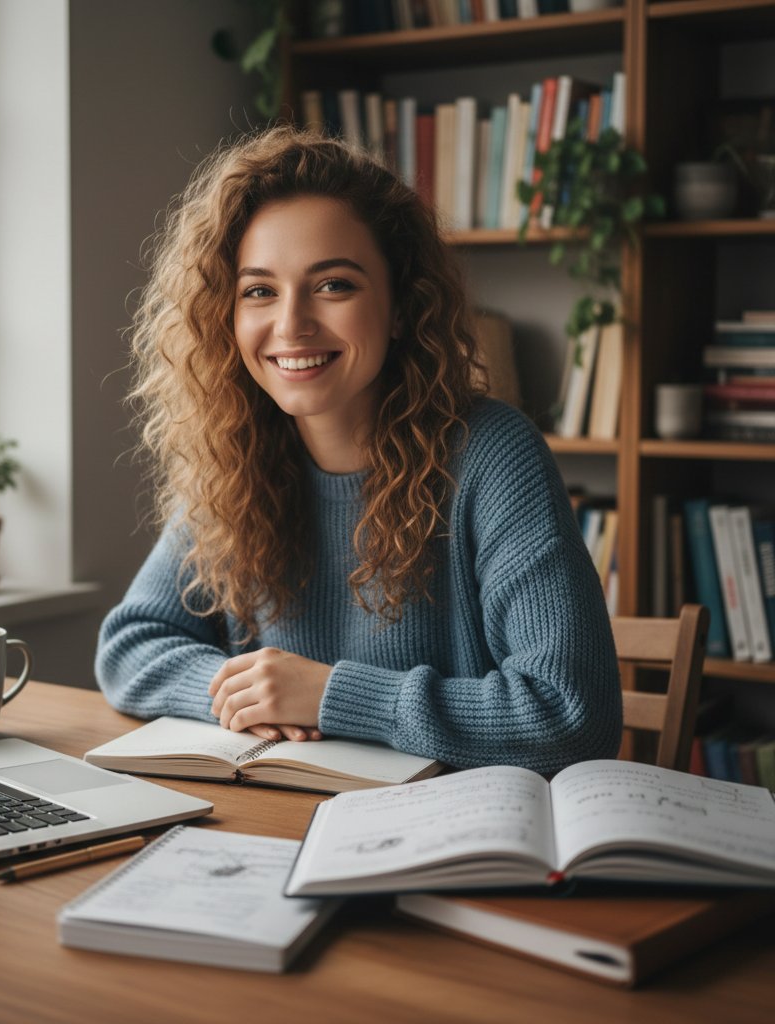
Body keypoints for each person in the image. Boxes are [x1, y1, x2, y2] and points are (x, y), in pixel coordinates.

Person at [95, 126, 621, 774]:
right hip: (284, 818)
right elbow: (130, 646)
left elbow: (572, 717)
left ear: (401, 306)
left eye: (333, 285)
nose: (291, 324)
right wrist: (251, 693)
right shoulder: (235, 458)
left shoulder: (492, 455)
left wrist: (331, 697)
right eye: (259, 290)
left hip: (453, 824)